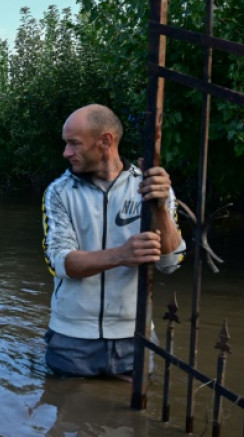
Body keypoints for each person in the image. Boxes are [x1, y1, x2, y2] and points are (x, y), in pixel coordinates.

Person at [42, 104, 185, 377]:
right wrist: (121, 254)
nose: (66, 153)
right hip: (71, 340)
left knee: (132, 417)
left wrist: (159, 208)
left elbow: (172, 261)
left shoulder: (150, 185)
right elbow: (58, 262)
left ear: (105, 141)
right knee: (69, 416)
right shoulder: (59, 191)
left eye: (74, 144)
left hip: (135, 337)